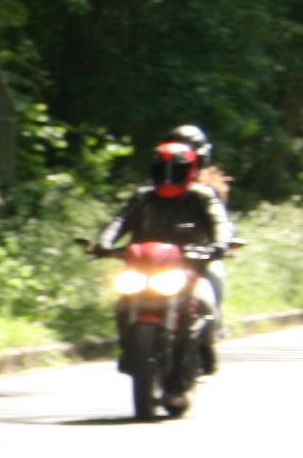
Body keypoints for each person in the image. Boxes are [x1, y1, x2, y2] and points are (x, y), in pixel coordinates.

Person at [94, 137, 236, 370]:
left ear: (189, 171)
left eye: (176, 170)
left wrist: (220, 244)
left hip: (189, 267)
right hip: (143, 266)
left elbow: (220, 222)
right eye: (162, 170)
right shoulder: (144, 196)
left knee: (205, 303)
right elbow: (121, 220)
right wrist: (104, 242)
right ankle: (129, 350)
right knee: (121, 304)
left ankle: (205, 352)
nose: (168, 177)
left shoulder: (202, 196)